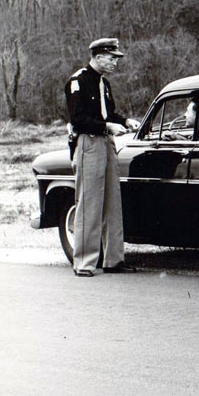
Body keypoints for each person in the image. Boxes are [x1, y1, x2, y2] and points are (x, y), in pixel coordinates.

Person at [65, 38, 141, 277]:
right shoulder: (78, 82)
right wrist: (107, 127)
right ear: (98, 57)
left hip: (106, 143)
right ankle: (84, 262)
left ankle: (114, 260)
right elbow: (78, 118)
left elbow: (108, 112)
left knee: (112, 202)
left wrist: (124, 121)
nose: (115, 62)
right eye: (111, 58)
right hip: (88, 143)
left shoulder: (103, 83)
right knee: (89, 204)